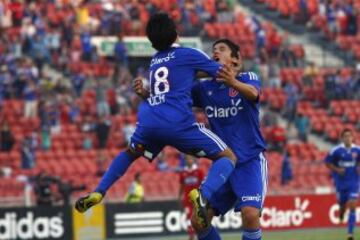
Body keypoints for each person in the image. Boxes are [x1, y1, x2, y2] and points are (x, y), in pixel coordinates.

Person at [75, 14, 237, 227]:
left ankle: (99, 191)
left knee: (129, 153)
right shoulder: (189, 53)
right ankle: (203, 194)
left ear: (152, 42)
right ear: (176, 32)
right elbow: (222, 73)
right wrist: (236, 70)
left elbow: (170, 87)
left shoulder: (155, 60)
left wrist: (145, 93)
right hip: (179, 123)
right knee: (228, 157)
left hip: (150, 120)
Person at [189, 39, 268, 240]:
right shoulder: (204, 88)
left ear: (235, 59)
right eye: (213, 50)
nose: (215, 52)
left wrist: (232, 80)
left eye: (221, 49)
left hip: (249, 162)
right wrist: (147, 93)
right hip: (224, 165)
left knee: (250, 215)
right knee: (198, 221)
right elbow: (178, 90)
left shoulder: (247, 78)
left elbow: (253, 93)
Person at [325, 129, 360, 240]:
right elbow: (327, 163)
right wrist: (337, 169)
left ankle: (350, 234)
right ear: (342, 138)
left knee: (353, 204)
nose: (348, 138)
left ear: (352, 137)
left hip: (354, 182)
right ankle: (341, 212)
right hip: (341, 183)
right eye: (345, 136)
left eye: (349, 136)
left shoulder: (357, 150)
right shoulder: (336, 151)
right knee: (342, 206)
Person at [179, 155, 204, 240]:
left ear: (193, 159)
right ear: (185, 160)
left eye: (190, 158)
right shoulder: (183, 173)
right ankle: (191, 236)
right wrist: (179, 197)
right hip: (187, 200)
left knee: (199, 219)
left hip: (197, 199)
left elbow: (203, 186)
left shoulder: (199, 171)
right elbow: (181, 186)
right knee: (189, 218)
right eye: (187, 159)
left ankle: (199, 235)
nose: (189, 160)